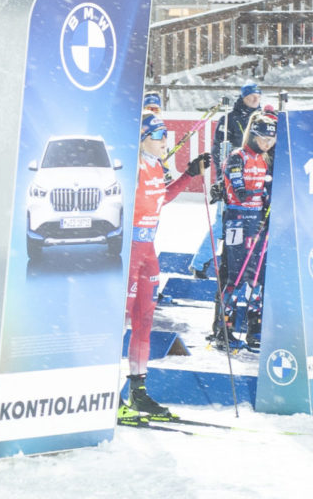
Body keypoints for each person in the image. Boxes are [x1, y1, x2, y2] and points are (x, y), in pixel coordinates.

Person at [123, 116, 209, 417]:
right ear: (143, 137)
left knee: (144, 321)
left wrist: (188, 175)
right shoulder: (131, 166)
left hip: (148, 251)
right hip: (128, 250)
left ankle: (136, 391)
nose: (164, 141)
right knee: (120, 320)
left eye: (165, 135)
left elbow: (163, 198)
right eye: (158, 135)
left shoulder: (157, 167)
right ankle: (104, 395)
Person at [210, 112, 276, 351]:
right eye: (263, 139)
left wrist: (269, 202)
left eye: (271, 139)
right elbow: (239, 190)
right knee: (235, 276)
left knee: (257, 276)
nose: (267, 144)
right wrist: (255, 195)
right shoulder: (238, 156)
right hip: (238, 220)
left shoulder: (264, 159)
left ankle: (254, 328)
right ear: (253, 135)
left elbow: (264, 190)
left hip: (257, 221)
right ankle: (224, 330)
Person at [190, 82, 264, 278]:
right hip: (233, 178)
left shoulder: (262, 119)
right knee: (222, 224)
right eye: (251, 96)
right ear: (243, 97)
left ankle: (237, 267)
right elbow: (218, 152)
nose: (255, 99)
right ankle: (200, 262)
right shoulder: (230, 119)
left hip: (254, 180)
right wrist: (223, 179)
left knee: (243, 227)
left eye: (257, 95)